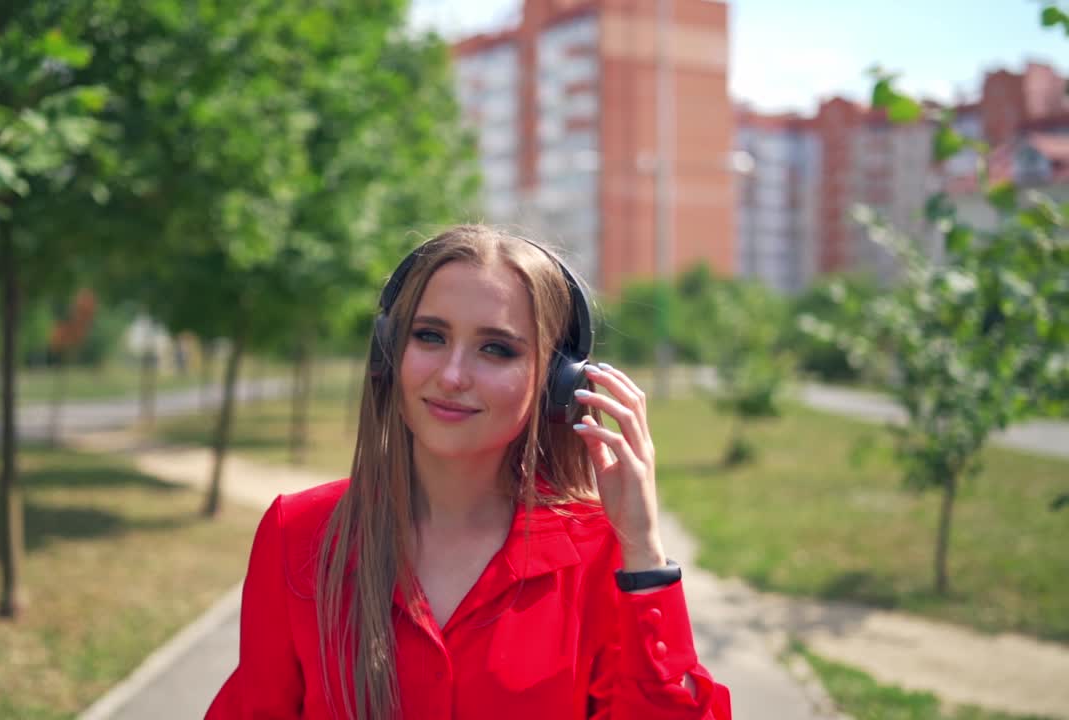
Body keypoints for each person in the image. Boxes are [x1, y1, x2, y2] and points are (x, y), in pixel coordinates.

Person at [206, 225, 732, 719]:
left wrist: (644, 556)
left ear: (557, 382)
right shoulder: (298, 535)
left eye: (496, 349)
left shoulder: (603, 555)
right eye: (429, 336)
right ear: (389, 352)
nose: (453, 375)